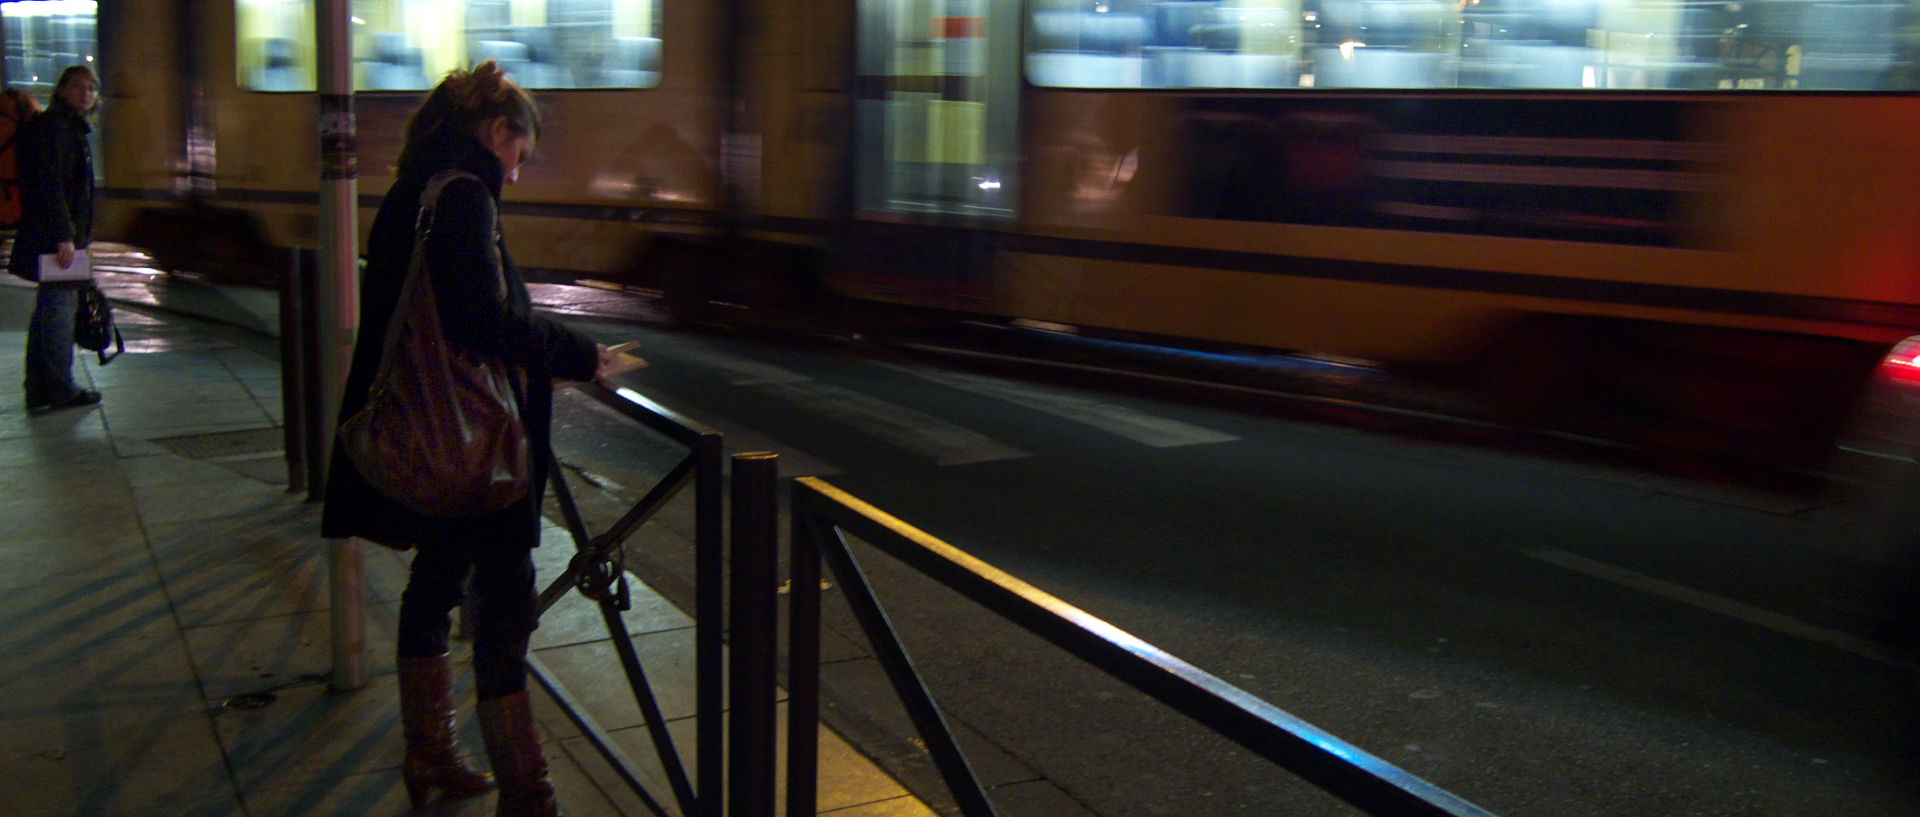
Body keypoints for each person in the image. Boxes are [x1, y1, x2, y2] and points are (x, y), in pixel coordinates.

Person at [321, 61, 612, 817]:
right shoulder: (465, 198)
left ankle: (432, 754)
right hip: (473, 442)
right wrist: (583, 356)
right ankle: (528, 791)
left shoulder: (413, 191)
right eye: (522, 151)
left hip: (426, 431)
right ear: (498, 132)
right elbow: (484, 319)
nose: (518, 169)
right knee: (503, 605)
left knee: (435, 582)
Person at [11, 65, 99, 412]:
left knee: (49, 313)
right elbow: (50, 186)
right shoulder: (56, 128)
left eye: (91, 88)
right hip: (57, 240)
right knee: (59, 314)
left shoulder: (67, 127)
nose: (86, 93)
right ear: (61, 90)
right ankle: (59, 389)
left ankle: (40, 389)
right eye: (78, 87)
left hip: (56, 236)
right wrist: (65, 237)